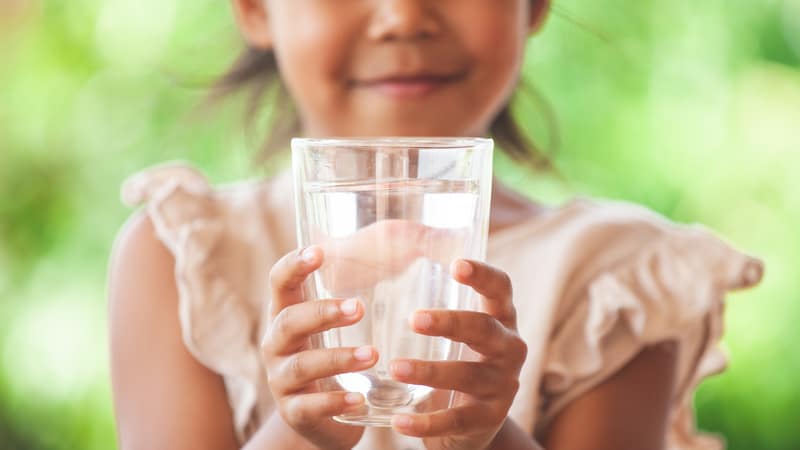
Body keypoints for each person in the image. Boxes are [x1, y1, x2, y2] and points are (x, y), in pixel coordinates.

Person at [108, 1, 764, 449]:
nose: (403, 17)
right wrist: (299, 430)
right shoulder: (183, 258)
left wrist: (486, 437)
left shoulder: (617, 282)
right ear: (254, 7)